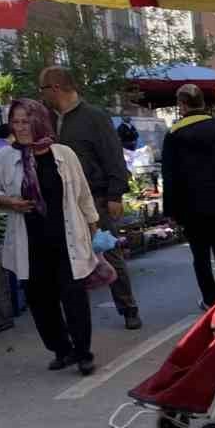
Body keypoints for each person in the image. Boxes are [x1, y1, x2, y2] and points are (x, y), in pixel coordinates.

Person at [0, 98, 100, 376]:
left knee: (74, 298)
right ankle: (62, 350)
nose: (22, 128)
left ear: (40, 120)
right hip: (30, 241)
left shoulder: (63, 153)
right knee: (40, 302)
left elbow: (83, 192)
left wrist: (93, 222)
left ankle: (83, 353)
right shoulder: (4, 157)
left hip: (65, 237)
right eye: (16, 122)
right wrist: (9, 202)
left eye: (27, 121)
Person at [39, 66, 140, 330]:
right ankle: (76, 314)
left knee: (107, 249)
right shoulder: (48, 118)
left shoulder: (93, 117)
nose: (42, 95)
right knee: (67, 255)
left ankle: (128, 307)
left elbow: (113, 156)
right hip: (59, 199)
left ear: (56, 87)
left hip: (94, 196)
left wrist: (115, 194)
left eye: (43, 89)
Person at [160, 84, 215, 310]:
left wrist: (170, 211)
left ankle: (210, 300)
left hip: (191, 209)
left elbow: (169, 176)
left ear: (182, 104)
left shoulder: (174, 134)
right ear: (202, 103)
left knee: (200, 257)